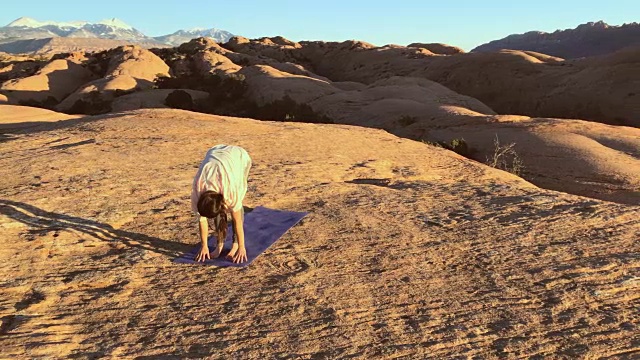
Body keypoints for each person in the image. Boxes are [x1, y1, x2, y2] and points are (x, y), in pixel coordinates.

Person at [191, 145, 252, 263]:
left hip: (238, 157)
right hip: (215, 152)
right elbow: (201, 220)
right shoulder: (197, 193)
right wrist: (204, 246)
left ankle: (234, 244)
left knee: (236, 206)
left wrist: (241, 247)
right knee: (217, 210)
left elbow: (237, 221)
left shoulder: (231, 192)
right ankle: (220, 243)